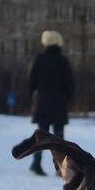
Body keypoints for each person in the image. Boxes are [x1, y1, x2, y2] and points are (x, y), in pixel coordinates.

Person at [26, 30, 74, 175]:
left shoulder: (38, 59)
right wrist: (67, 99)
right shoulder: (63, 61)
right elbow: (70, 84)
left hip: (42, 103)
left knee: (41, 136)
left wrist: (35, 96)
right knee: (59, 138)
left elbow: (31, 81)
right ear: (59, 43)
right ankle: (61, 168)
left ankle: (36, 164)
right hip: (59, 103)